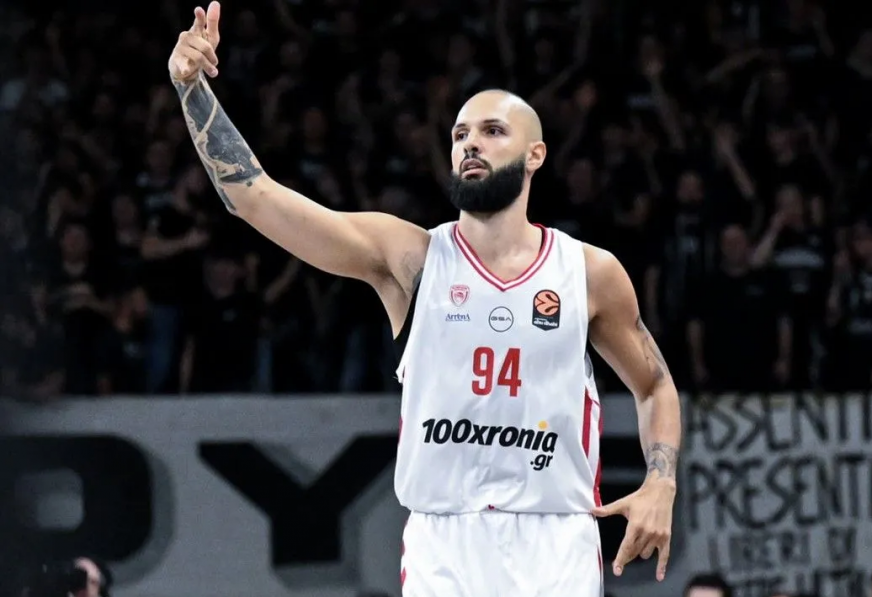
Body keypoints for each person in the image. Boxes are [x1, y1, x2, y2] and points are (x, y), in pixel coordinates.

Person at [167, 4, 682, 595]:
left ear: (535, 155)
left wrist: (661, 482)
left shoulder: (588, 272)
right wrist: (191, 88)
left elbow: (655, 385)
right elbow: (256, 199)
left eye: (493, 132)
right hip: (444, 540)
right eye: (460, 134)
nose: (471, 144)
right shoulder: (410, 258)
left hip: (555, 537)